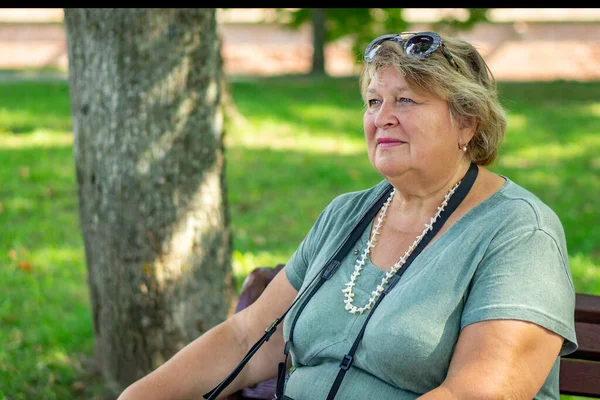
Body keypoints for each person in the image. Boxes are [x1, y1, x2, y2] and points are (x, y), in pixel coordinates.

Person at [118, 31, 578, 400]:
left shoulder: (519, 233)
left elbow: (478, 393)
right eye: (374, 101)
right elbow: (246, 338)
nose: (383, 118)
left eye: (407, 101)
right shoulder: (349, 213)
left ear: (467, 122)